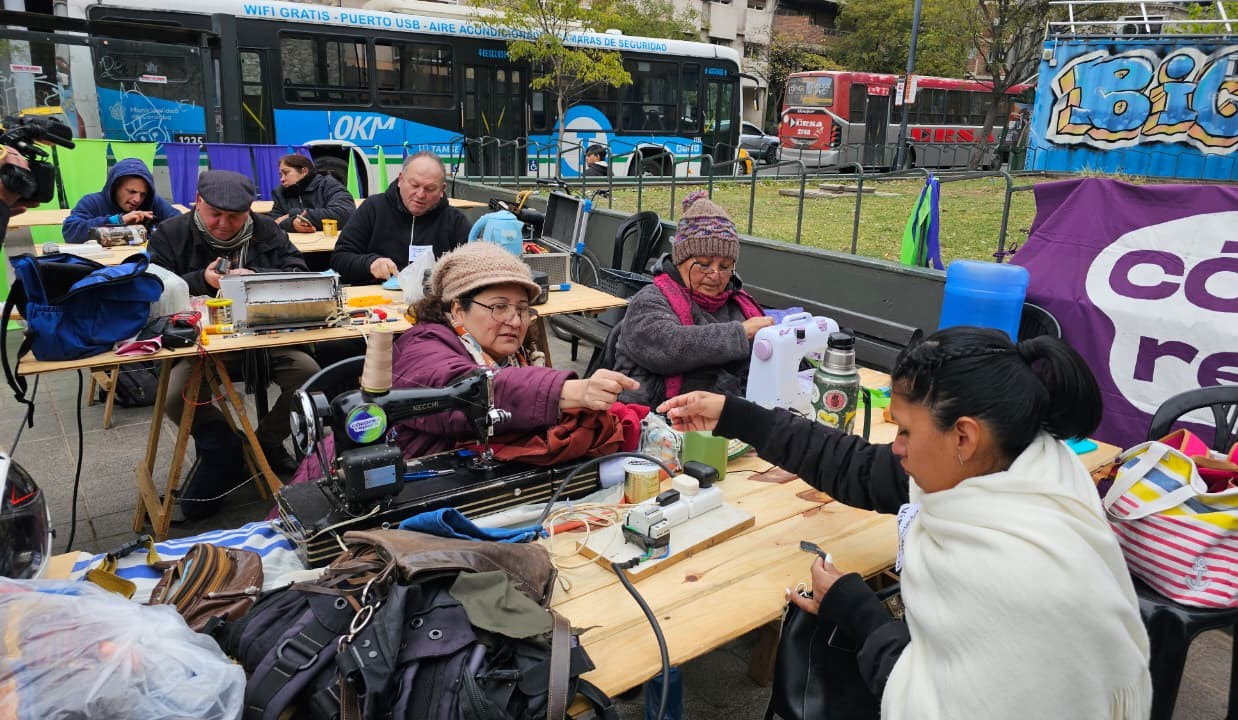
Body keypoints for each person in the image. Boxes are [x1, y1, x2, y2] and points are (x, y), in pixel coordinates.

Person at [658, 328, 1152, 719]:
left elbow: (933, 702)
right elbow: (856, 467)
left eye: (905, 430)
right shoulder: (1019, 461)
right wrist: (736, 416)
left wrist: (856, 612)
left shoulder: (1012, 573)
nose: (895, 445)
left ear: (963, 436)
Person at [149, 170, 320, 520]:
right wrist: (202, 281)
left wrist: (258, 280)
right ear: (198, 202)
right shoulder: (171, 233)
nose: (224, 224)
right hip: (198, 345)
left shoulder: (267, 229)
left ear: (249, 212)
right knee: (173, 396)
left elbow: (298, 271)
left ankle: (266, 442)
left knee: (309, 376)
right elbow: (151, 287)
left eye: (235, 217)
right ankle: (228, 446)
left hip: (260, 340)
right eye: (215, 215)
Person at [393, 242, 638, 458]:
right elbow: (469, 391)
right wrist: (569, 390)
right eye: (499, 307)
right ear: (458, 310)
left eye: (522, 309)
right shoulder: (421, 348)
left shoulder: (517, 356)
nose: (516, 321)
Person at [612, 190, 773, 409]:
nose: (715, 274)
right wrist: (740, 334)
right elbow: (670, 346)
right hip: (652, 420)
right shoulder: (649, 301)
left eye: (725, 267)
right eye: (704, 264)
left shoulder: (739, 305)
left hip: (721, 421)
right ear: (680, 260)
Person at [331, 151, 471, 285]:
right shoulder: (373, 208)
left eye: (430, 189)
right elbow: (339, 260)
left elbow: (472, 269)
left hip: (433, 302)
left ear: (442, 190)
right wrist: (369, 263)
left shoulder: (455, 221)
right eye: (414, 185)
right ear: (400, 180)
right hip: (376, 301)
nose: (420, 194)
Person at [61, 158, 180, 243]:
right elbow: (70, 231)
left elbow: (180, 225)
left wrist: (160, 232)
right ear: (115, 187)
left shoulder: (153, 202)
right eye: (131, 192)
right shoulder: (92, 202)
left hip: (144, 267)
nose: (137, 199)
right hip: (100, 270)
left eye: (143, 194)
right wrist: (117, 220)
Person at [266, 153, 356, 234]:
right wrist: (292, 224)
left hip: (329, 246)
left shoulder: (328, 185)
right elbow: (273, 222)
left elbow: (344, 214)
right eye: (280, 175)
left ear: (304, 171)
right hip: (295, 247)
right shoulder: (280, 192)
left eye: (286, 173)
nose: (282, 179)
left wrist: (293, 214)